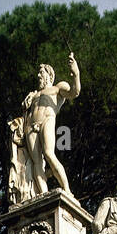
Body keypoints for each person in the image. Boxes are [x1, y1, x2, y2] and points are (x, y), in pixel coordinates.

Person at [21, 53, 80, 196]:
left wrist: (75, 73)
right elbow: (25, 113)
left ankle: (67, 190)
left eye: (41, 73)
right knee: (36, 163)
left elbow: (75, 92)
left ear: (49, 75)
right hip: (30, 127)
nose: (38, 76)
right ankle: (43, 194)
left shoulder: (57, 88)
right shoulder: (34, 94)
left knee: (49, 153)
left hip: (47, 120)